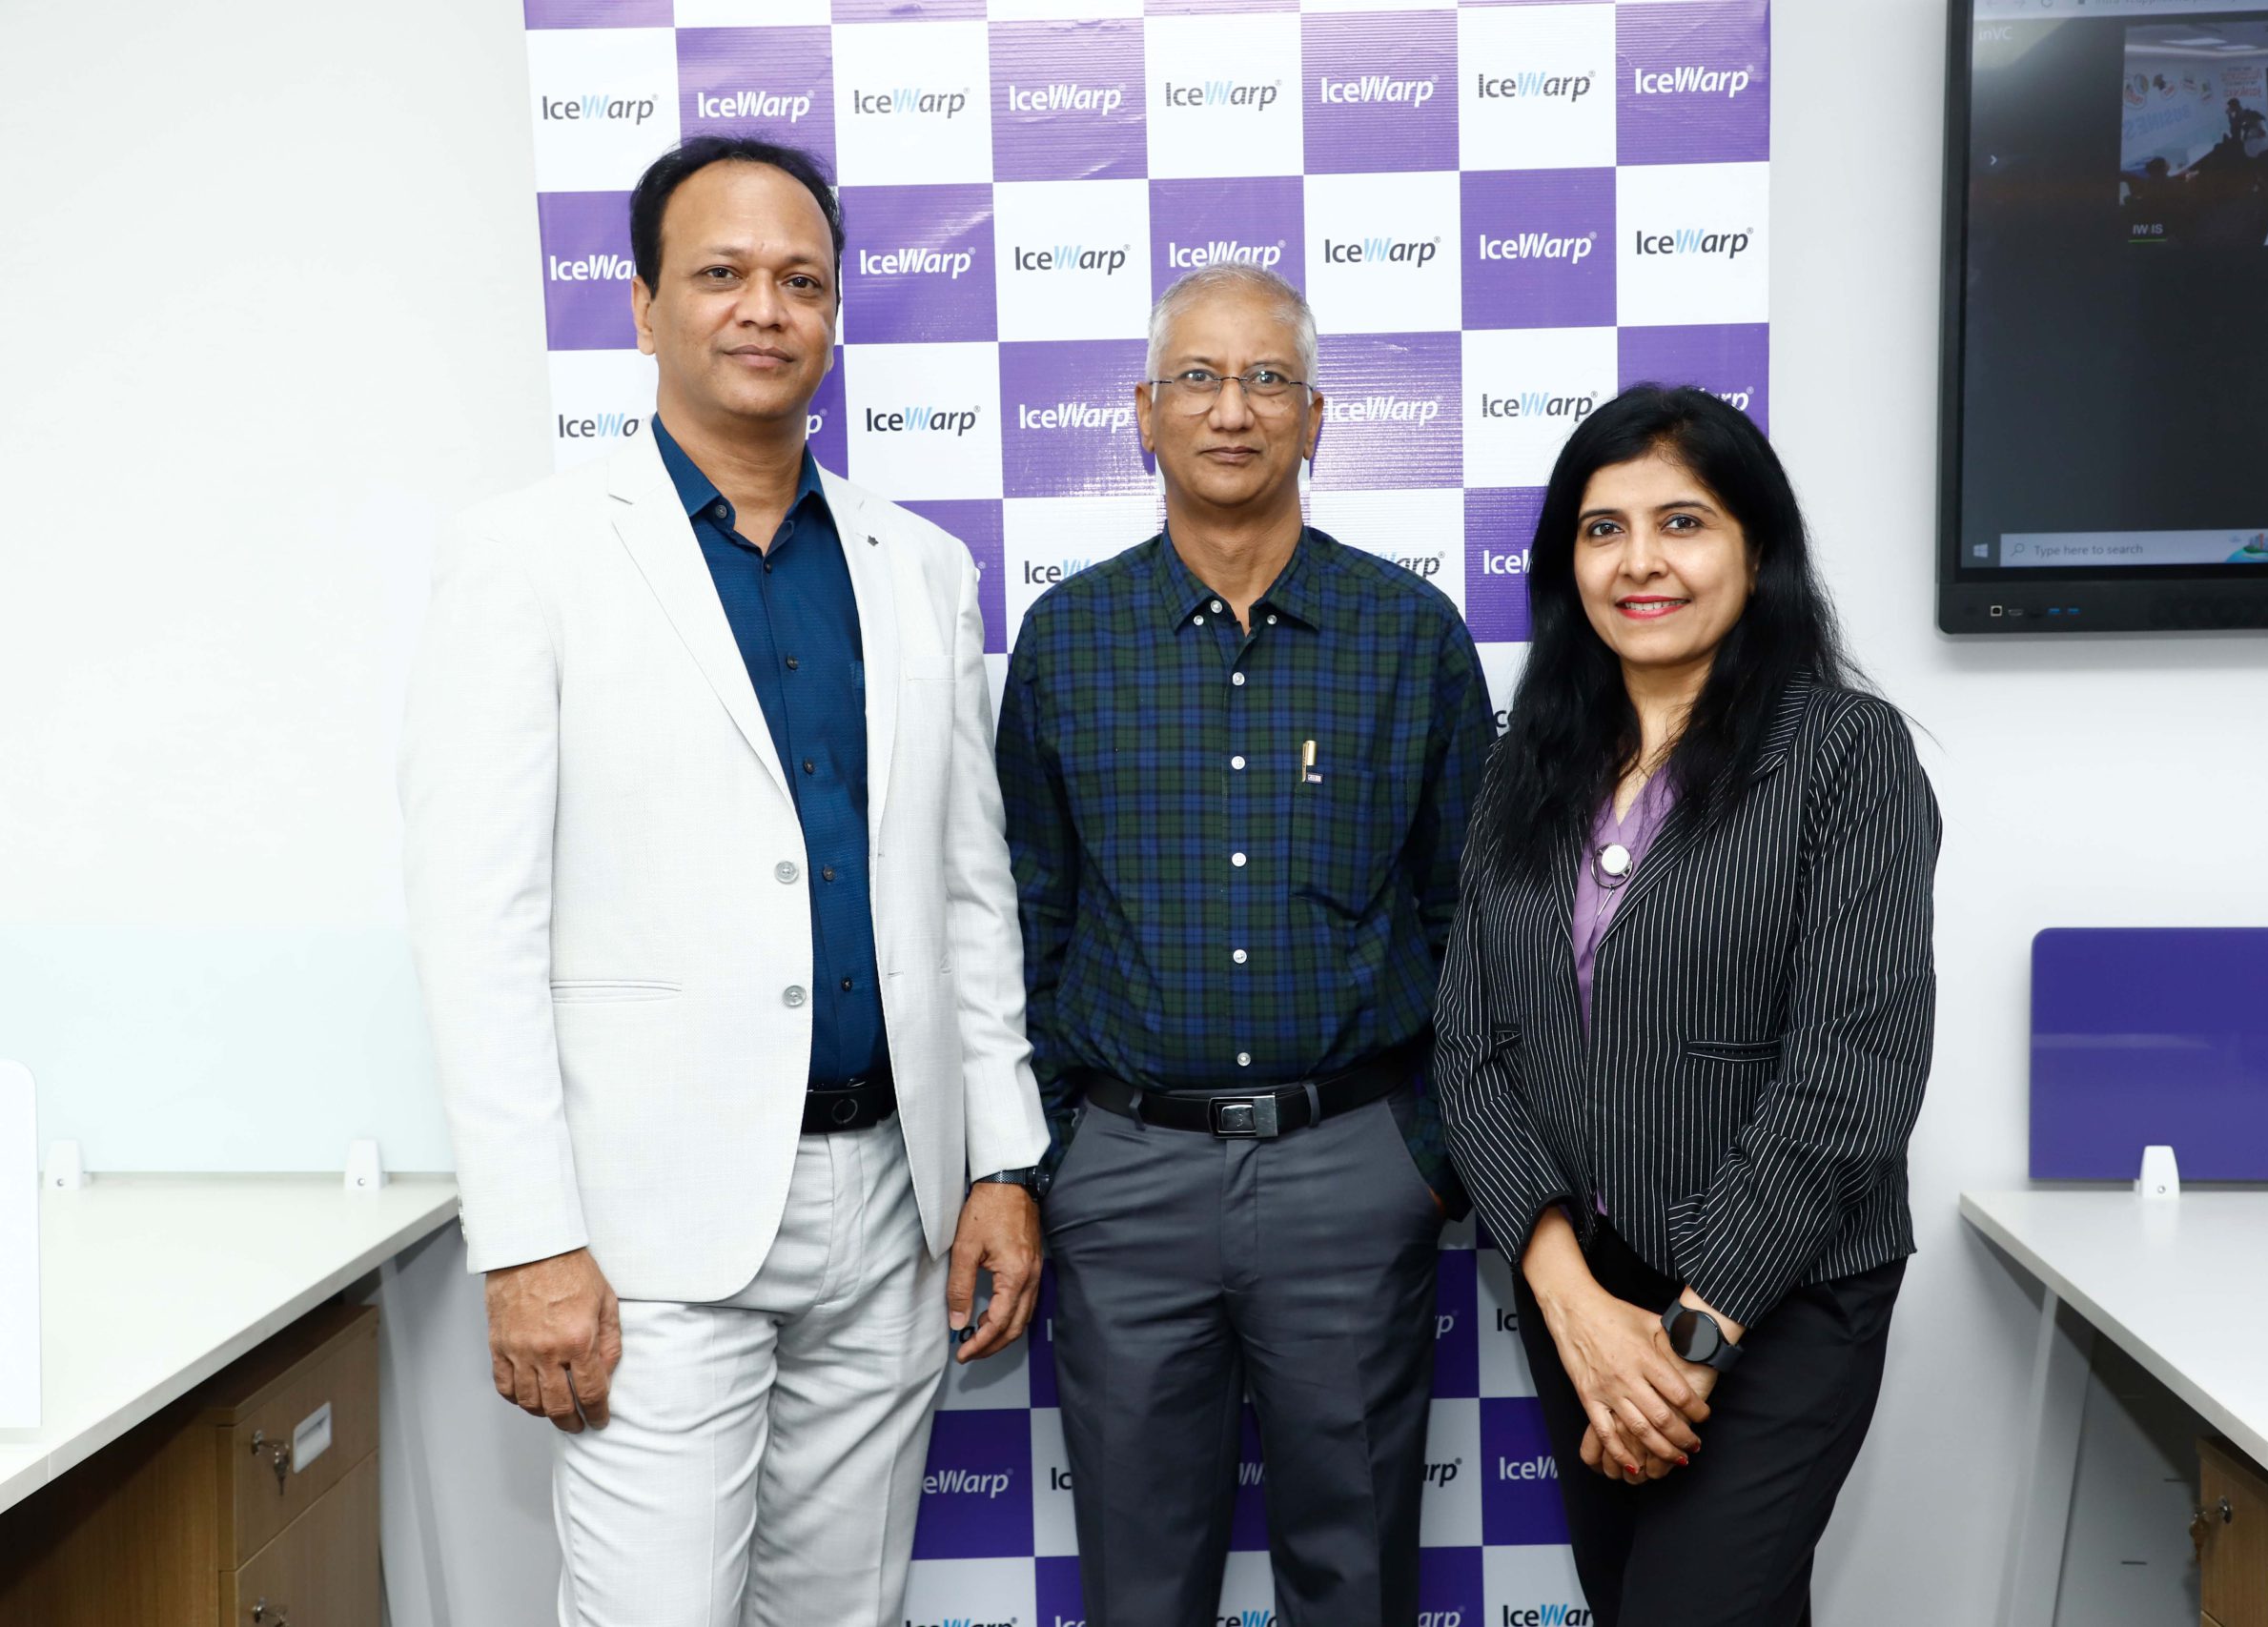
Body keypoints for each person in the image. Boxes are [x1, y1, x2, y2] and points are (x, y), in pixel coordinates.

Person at [399, 134, 1048, 1626]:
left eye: (800, 280)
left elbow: (970, 896)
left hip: (892, 1206)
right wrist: (530, 1241)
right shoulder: (525, 559)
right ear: (643, 306)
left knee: (844, 1612)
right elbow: (475, 925)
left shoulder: (919, 567)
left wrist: (1002, 1163)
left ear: (835, 314)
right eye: (722, 274)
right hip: (645, 1231)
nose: (765, 307)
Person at [994, 262, 1496, 1626]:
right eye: (1200, 380)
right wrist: (1054, 1155)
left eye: (1269, 379)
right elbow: (1027, 916)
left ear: (1316, 418)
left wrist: (1427, 1157)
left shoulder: (1410, 638)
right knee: (1141, 1584)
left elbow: (1473, 918)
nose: (1234, 410)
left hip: (1353, 1171)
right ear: (1143, 414)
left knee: (1357, 1578)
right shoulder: (1067, 641)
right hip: (1125, 1180)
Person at [1433, 386, 1939, 1625]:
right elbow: (1470, 1048)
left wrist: (1690, 1342)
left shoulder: (1846, 754)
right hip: (1585, 1296)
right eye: (1603, 529)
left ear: (1756, 550)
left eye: (1683, 523)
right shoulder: (1524, 765)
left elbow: (1853, 1073)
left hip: (1781, 1296)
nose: (1640, 562)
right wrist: (1574, 1305)